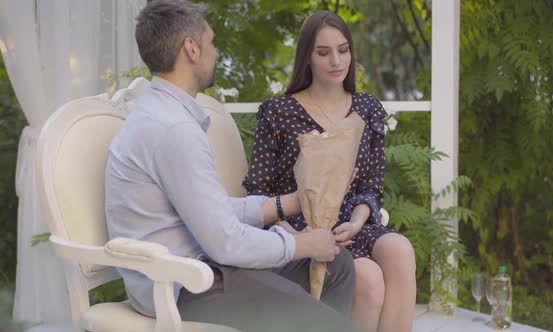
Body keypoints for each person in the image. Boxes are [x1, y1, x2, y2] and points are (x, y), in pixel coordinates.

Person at [104, 1, 359, 332]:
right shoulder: (172, 129)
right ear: (191, 49)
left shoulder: (168, 116)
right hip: (182, 283)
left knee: (337, 264)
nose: (216, 51)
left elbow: (212, 211)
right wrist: (303, 244)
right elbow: (226, 242)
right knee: (323, 322)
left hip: (207, 266)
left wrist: (290, 202)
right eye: (211, 42)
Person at [243, 11, 416, 332]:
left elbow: (371, 185)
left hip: (352, 223)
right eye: (323, 52)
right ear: (307, 57)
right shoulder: (278, 112)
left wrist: (355, 221)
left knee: (400, 250)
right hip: (299, 229)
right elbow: (258, 192)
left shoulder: (367, 109)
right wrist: (295, 237)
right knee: (369, 277)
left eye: (343, 49)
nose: (336, 60)